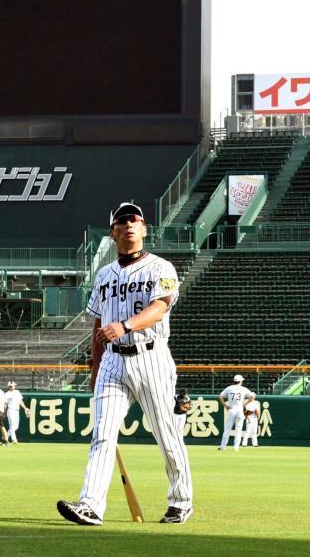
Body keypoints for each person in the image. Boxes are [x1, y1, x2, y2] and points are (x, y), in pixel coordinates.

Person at [57, 202, 193, 526]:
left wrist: (126, 325)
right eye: (122, 220)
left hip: (151, 356)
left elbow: (160, 307)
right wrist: (94, 366)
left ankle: (181, 501)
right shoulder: (104, 275)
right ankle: (91, 505)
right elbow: (98, 326)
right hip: (113, 363)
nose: (129, 223)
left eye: (135, 219)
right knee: (103, 435)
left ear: (144, 228)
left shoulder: (162, 268)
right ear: (113, 232)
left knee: (166, 435)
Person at [218, 375, 254, 451]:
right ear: (240, 381)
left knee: (227, 429)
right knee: (239, 429)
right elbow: (252, 397)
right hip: (240, 409)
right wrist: (245, 404)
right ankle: (236, 447)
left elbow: (220, 396)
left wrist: (225, 405)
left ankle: (223, 446)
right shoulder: (244, 389)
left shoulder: (229, 388)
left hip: (232, 409)